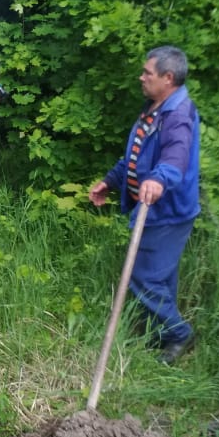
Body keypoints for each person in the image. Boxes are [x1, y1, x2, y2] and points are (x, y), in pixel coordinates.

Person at [88, 46, 200, 364]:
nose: (141, 77)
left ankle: (179, 334)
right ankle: (164, 339)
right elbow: (135, 156)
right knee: (161, 278)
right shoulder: (154, 109)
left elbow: (175, 157)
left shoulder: (178, 115)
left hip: (168, 212)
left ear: (168, 77)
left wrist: (158, 180)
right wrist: (110, 181)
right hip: (152, 207)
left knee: (143, 277)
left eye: (147, 73)